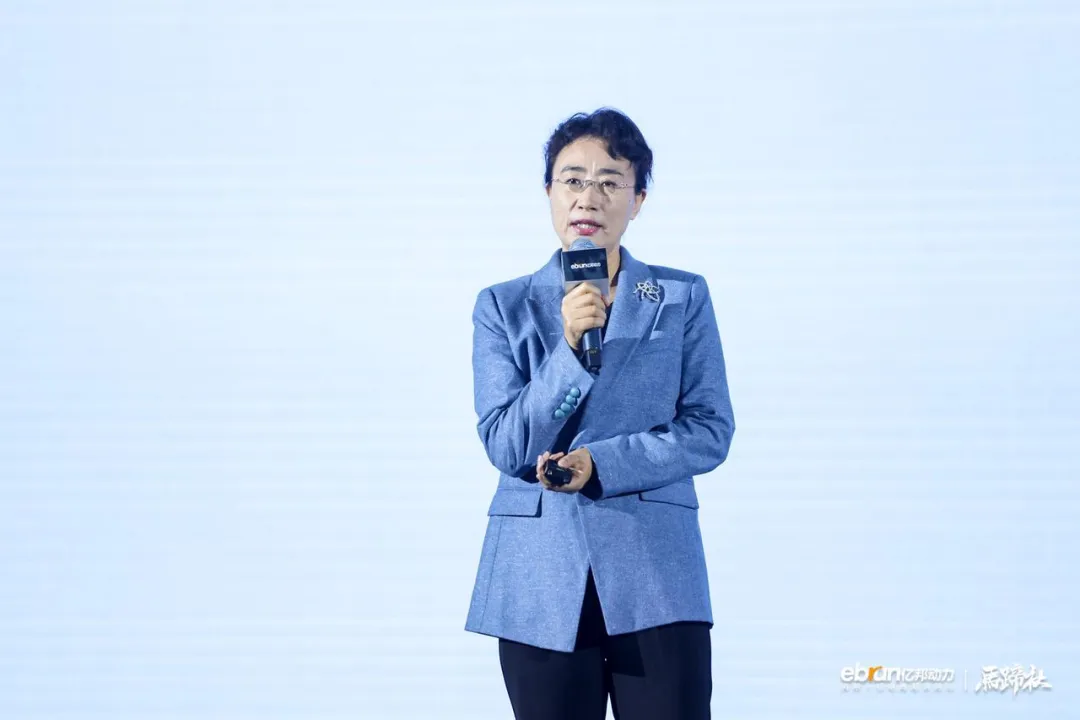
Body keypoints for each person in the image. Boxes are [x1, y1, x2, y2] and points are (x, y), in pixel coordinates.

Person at [464, 107, 735, 720]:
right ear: (549, 192)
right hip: (538, 574)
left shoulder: (681, 296)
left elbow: (709, 429)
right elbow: (505, 445)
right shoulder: (502, 306)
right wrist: (568, 351)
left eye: (611, 182)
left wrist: (600, 464)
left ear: (638, 200)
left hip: (657, 570)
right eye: (573, 180)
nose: (589, 197)